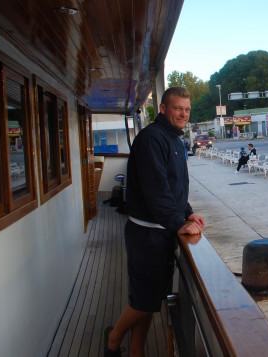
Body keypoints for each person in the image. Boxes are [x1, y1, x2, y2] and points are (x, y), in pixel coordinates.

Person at [104, 86, 205, 357]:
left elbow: (174, 187)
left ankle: (136, 351)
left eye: (186, 110)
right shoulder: (151, 139)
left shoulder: (174, 139)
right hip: (146, 235)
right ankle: (113, 340)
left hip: (161, 232)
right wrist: (178, 222)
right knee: (144, 301)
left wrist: (187, 212)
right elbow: (156, 190)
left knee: (147, 300)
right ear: (163, 108)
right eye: (177, 108)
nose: (183, 114)